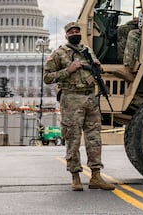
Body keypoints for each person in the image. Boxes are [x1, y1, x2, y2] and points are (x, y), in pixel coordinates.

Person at [43, 21, 115, 191]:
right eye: (71, 31)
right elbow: (47, 77)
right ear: (66, 35)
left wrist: (98, 67)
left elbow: (96, 70)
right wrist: (68, 70)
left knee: (94, 139)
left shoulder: (87, 50)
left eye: (77, 31)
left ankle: (96, 176)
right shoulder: (59, 54)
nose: (75, 33)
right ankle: (75, 177)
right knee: (73, 139)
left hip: (90, 98)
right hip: (71, 99)